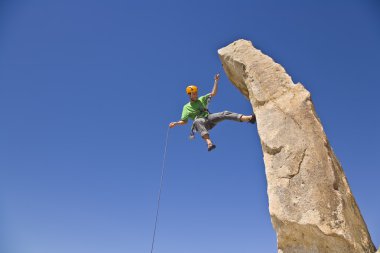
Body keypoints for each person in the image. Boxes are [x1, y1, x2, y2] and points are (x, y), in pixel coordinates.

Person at [169, 73, 256, 151]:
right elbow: (184, 121)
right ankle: (209, 143)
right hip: (202, 124)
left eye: (196, 93)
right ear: (189, 95)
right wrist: (176, 123)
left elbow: (213, 93)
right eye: (194, 94)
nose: (196, 95)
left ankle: (248, 118)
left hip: (209, 118)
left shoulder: (201, 99)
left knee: (224, 113)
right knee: (197, 121)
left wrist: (216, 81)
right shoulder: (186, 107)